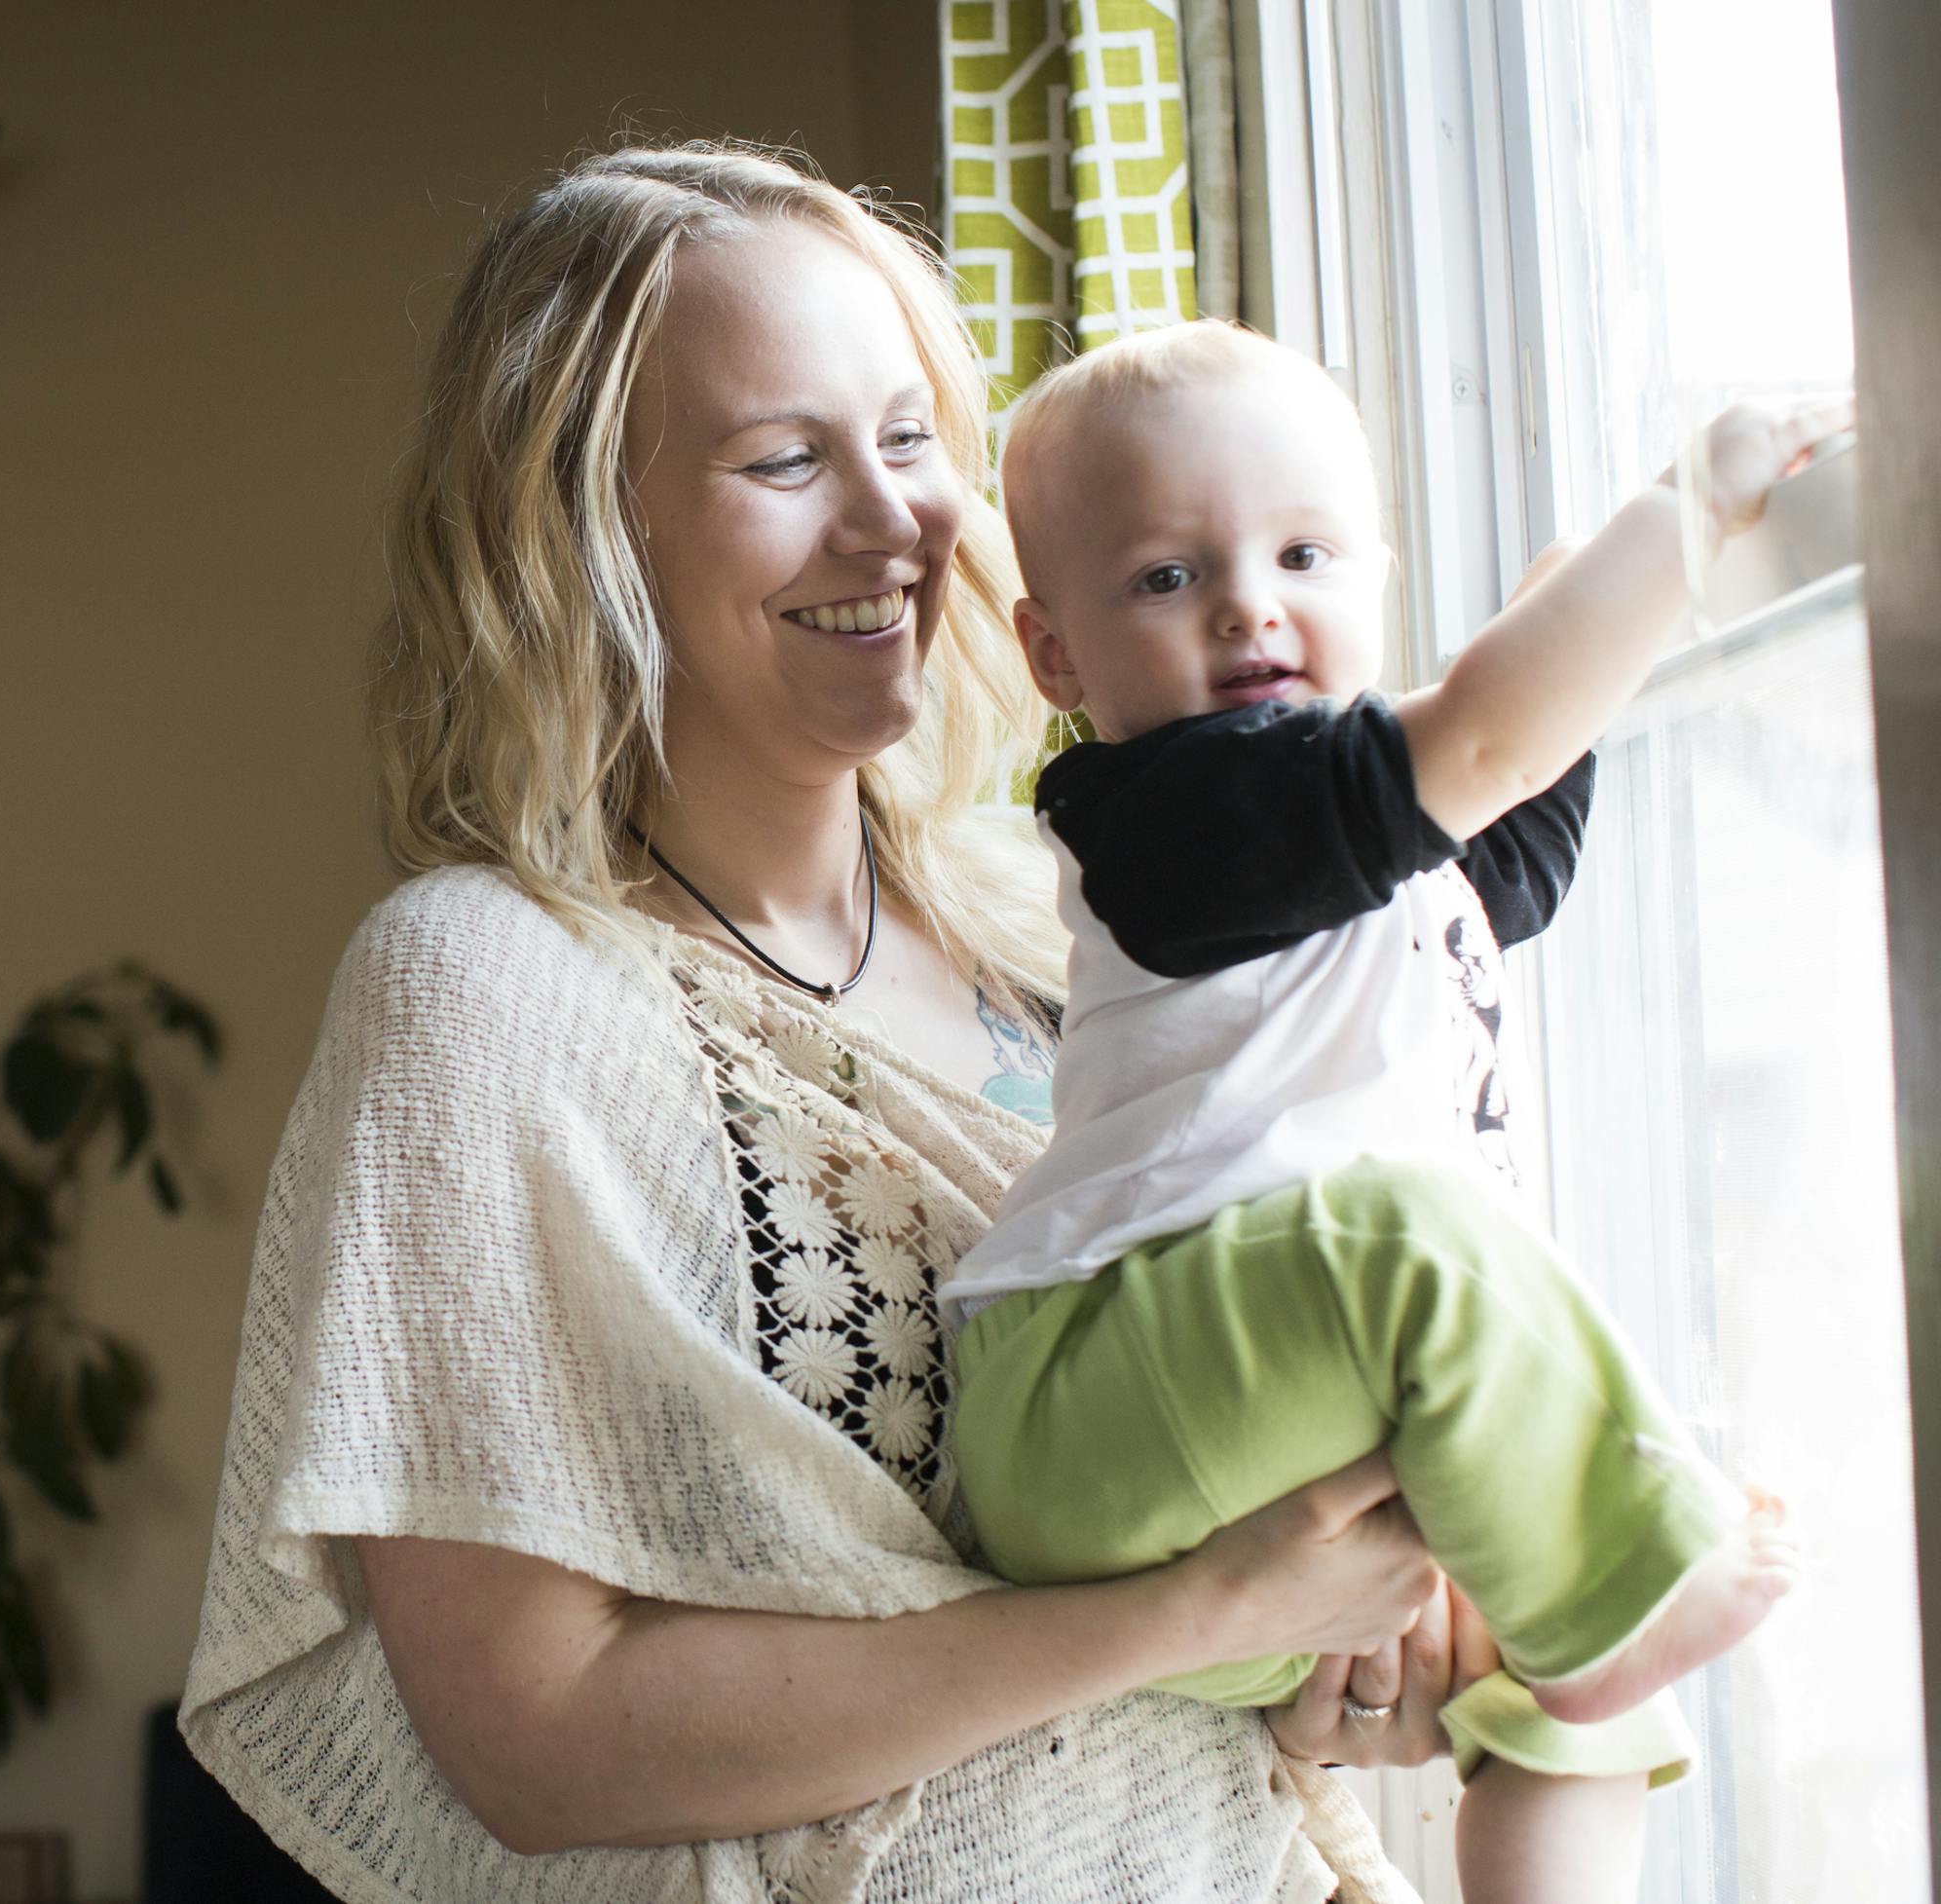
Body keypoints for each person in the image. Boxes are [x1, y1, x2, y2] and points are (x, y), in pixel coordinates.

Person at [178, 144, 1495, 1904]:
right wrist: (1208, 1606)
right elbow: (534, 1739)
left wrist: (1354, 1641)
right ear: (586, 533)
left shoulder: (1071, 917)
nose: (893, 524)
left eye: (908, 439)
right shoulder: (486, 988)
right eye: (785, 460)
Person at [938, 319, 1841, 1904]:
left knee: (1578, 1678)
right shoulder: (1176, 814)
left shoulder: (1372, 844)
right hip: (1094, 1398)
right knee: (1436, 1253)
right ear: (1056, 656)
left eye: (1304, 552)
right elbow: (1485, 735)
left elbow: (1519, 816)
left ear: (1375, 577)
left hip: (1257, 1461)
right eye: (1167, 577)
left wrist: (1591, 607)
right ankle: (1622, 1597)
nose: (1248, 604)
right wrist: (1685, 509)